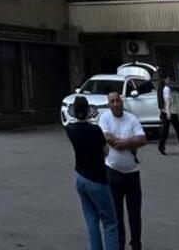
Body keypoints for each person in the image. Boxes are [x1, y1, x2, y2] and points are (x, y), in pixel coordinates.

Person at [66, 96, 120, 250]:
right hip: (97, 177)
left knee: (91, 219)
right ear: (89, 110)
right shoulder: (95, 130)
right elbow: (105, 151)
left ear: (74, 111)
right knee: (110, 221)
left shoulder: (71, 130)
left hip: (80, 176)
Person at [98, 89, 145, 250]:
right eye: (112, 101)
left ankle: (136, 243)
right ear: (108, 104)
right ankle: (120, 245)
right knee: (116, 213)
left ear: (122, 101)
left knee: (135, 213)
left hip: (132, 173)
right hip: (113, 172)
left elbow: (142, 139)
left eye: (118, 100)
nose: (116, 104)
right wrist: (130, 142)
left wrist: (124, 143)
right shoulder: (105, 118)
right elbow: (106, 137)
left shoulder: (131, 118)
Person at [157, 76, 179, 156]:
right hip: (171, 112)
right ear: (165, 79)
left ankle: (161, 146)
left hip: (165, 112)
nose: (170, 80)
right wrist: (169, 112)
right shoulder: (166, 89)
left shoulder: (162, 88)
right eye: (169, 79)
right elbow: (168, 101)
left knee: (165, 131)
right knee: (177, 131)